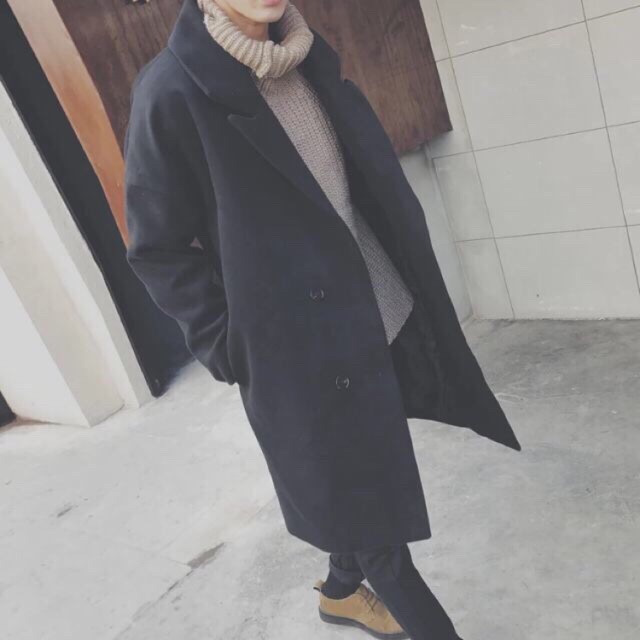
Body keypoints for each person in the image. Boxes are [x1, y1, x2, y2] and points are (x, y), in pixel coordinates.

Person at [124, 1, 521, 638]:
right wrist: (230, 346)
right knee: (372, 518)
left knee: (353, 480)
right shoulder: (171, 89)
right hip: (295, 351)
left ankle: (340, 591)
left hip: (375, 311)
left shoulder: (305, 55)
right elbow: (157, 249)